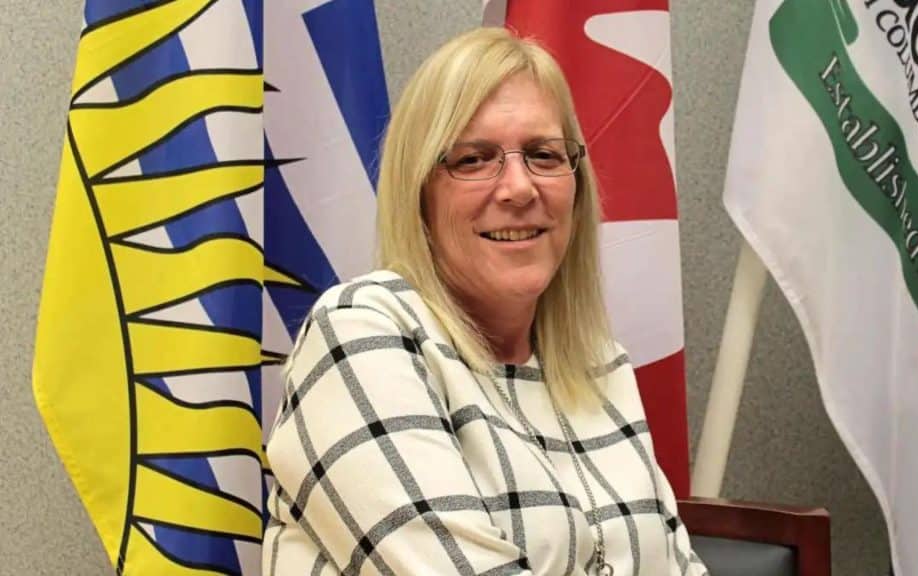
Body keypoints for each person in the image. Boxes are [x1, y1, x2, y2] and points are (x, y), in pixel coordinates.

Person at [262, 27, 708, 576]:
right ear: (419, 194)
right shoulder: (360, 333)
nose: (519, 188)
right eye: (474, 159)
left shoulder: (600, 364)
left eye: (543, 155)